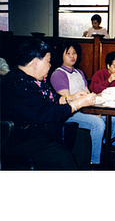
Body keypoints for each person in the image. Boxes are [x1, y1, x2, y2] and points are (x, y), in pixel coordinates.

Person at [0, 39, 96, 170]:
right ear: (35, 63)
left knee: (82, 138)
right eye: (48, 61)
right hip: (26, 138)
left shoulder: (36, 79)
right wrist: (77, 104)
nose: (50, 65)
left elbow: (52, 98)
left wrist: (70, 98)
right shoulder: (17, 83)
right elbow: (46, 114)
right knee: (61, 155)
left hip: (45, 132)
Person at [50, 40, 106, 167]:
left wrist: (95, 110)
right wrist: (93, 114)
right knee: (98, 124)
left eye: (74, 53)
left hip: (84, 108)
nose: (72, 56)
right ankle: (94, 162)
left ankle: (109, 150)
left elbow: (87, 93)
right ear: (61, 55)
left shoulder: (79, 72)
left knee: (113, 117)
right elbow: (67, 100)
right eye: (68, 53)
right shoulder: (58, 74)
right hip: (69, 112)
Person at [89, 51, 115, 145]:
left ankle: (112, 143)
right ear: (108, 65)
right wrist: (109, 80)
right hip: (99, 107)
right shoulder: (99, 74)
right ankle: (111, 144)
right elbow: (94, 90)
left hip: (113, 104)